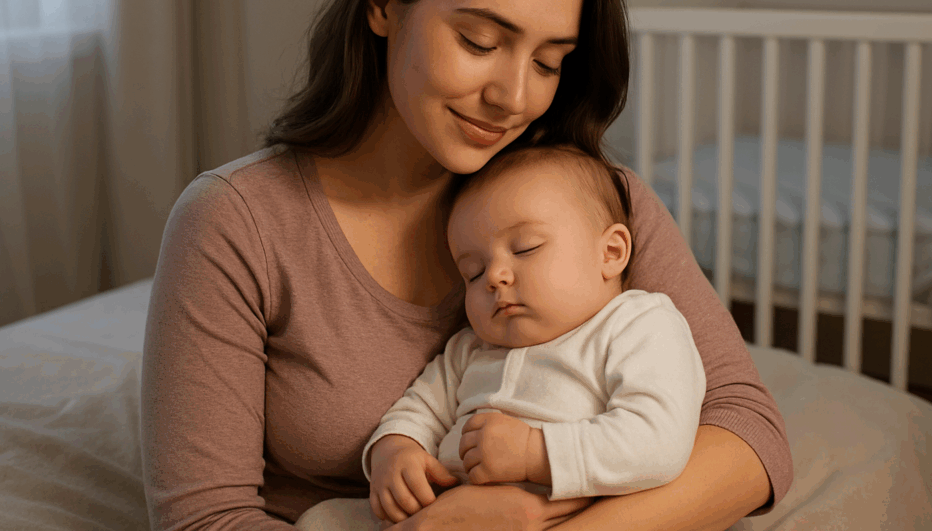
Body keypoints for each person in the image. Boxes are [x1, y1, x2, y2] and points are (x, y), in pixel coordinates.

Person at [140, 0, 793, 529]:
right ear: (383, 0)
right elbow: (204, 520)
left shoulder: (592, 203)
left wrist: (529, 519)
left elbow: (751, 433)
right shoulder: (235, 224)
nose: (512, 98)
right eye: (481, 41)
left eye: (548, 62)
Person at [295, 145, 707, 531]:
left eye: (525, 248)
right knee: (321, 519)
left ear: (611, 252)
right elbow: (420, 406)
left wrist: (535, 453)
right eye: (472, 272)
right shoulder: (470, 348)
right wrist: (395, 449)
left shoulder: (636, 323)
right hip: (445, 510)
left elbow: (659, 438)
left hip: (560, 513)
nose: (494, 276)